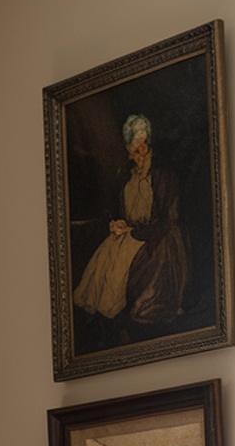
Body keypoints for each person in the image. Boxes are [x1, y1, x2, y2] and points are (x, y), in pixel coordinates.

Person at [73, 113, 188, 336]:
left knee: (123, 254)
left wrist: (136, 231)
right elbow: (123, 212)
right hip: (134, 232)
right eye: (133, 152)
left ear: (148, 146)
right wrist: (118, 224)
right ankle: (99, 315)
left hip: (158, 235)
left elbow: (168, 220)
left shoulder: (163, 177)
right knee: (107, 250)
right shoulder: (129, 180)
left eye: (140, 149)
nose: (137, 156)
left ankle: (112, 313)